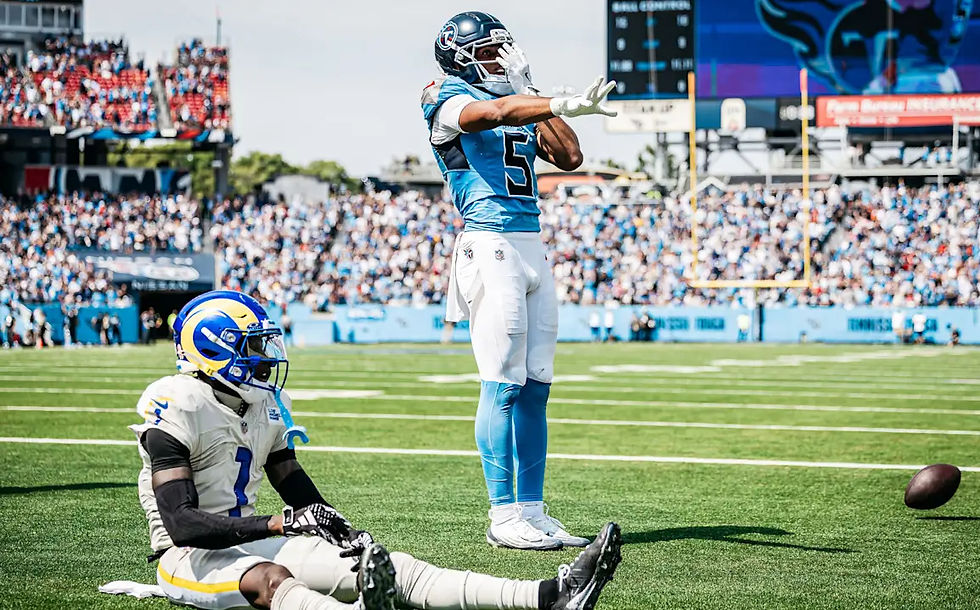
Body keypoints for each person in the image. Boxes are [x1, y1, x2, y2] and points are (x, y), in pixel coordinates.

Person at [126, 290, 622, 610]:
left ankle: (549, 596)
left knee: (383, 564)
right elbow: (182, 523)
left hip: (249, 538)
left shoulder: (265, 403)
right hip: (187, 557)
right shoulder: (177, 402)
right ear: (215, 348)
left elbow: (290, 477)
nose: (266, 358)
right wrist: (277, 525)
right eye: (253, 347)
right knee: (273, 579)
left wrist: (333, 524)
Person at [422, 11, 616, 550]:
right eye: (490, 50)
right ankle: (502, 514)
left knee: (536, 387)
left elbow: (570, 156)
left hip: (531, 243)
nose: (500, 59)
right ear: (461, 55)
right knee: (502, 382)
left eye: (505, 50)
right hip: (489, 244)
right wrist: (547, 100)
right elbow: (496, 112)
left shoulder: (516, 95)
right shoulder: (445, 95)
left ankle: (532, 509)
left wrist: (533, 91)